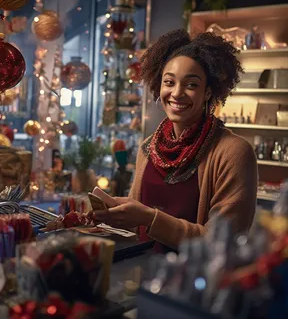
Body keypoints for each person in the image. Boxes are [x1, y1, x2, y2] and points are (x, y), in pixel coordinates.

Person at [93, 29, 258, 253]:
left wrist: (150, 218)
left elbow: (222, 243)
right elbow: (136, 227)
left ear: (208, 92)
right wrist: (115, 214)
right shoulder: (149, 147)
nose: (177, 93)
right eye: (169, 82)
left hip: (194, 284)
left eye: (191, 85)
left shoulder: (234, 153)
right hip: (139, 277)